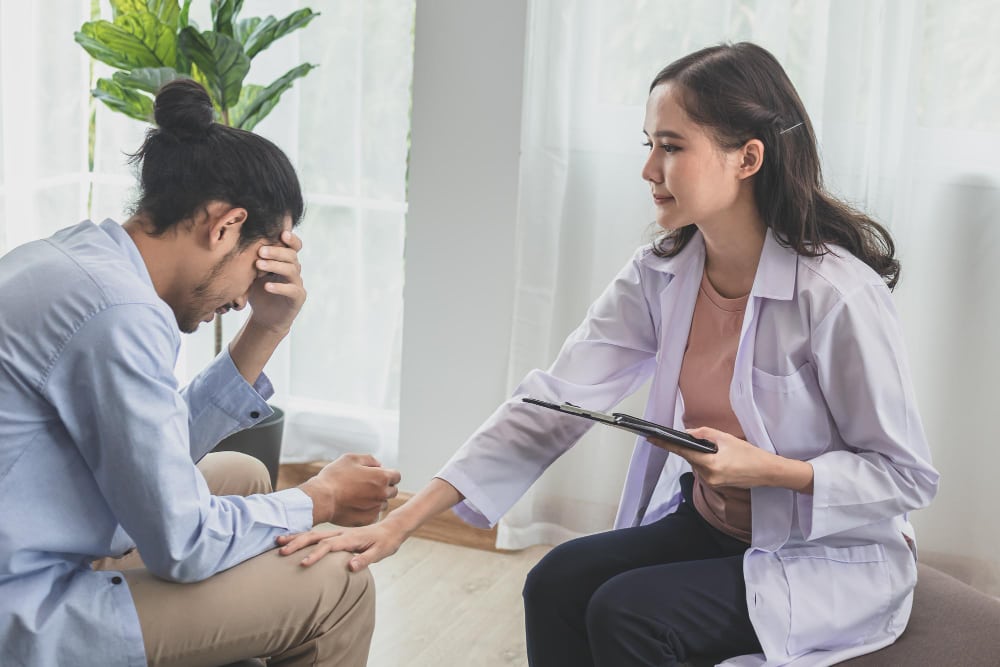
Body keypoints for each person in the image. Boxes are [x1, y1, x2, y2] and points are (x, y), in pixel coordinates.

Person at [277, 41, 940, 665]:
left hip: (826, 555)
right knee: (555, 580)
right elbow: (552, 402)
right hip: (716, 528)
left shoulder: (836, 295)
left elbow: (904, 477)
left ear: (748, 158)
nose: (648, 169)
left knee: (629, 613)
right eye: (650, 145)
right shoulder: (662, 271)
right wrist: (406, 521)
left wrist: (771, 470)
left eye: (672, 147)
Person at [0, 79, 401, 667]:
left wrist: (267, 328)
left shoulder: (75, 260)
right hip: (25, 606)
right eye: (259, 262)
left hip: (29, 538)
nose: (245, 299)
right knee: (339, 584)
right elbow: (182, 543)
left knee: (240, 472)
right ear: (225, 225)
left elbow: (149, 453)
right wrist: (320, 497)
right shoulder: (120, 314)